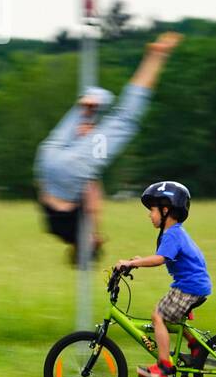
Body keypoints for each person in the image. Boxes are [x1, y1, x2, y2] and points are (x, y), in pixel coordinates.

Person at [34, 33, 181, 260]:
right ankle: (90, 105)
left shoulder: (86, 229)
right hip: (46, 161)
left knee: (125, 119)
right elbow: (43, 193)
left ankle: (156, 56)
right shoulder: (54, 229)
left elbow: (91, 194)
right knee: (85, 114)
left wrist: (89, 161)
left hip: (72, 173)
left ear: (91, 245)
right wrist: (84, 142)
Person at [116, 181, 213, 377]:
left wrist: (133, 264)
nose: (149, 215)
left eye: (152, 209)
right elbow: (161, 255)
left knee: (158, 315)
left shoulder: (172, 234)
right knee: (173, 318)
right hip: (194, 285)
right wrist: (137, 261)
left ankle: (164, 365)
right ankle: (195, 347)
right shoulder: (175, 233)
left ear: (166, 210)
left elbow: (160, 259)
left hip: (189, 287)